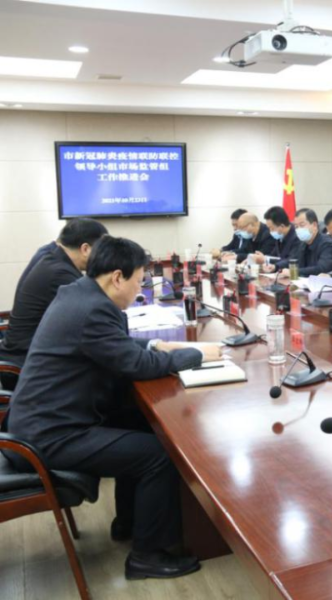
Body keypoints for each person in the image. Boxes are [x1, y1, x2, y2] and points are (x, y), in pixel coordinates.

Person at [3, 236, 222, 579]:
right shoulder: (93, 309)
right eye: (139, 281)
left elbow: (116, 346)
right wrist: (194, 354)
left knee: (140, 422)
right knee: (159, 455)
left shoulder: (80, 294)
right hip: (49, 437)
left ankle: (129, 523)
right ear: (118, 277)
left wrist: (159, 345)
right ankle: (147, 556)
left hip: (43, 421)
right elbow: (137, 365)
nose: (139, 290)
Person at [0, 218, 108, 385]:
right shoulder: (60, 273)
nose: (101, 258)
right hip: (28, 366)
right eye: (101, 251)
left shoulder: (49, 252)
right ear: (85, 249)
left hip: (21, 352)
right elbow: (95, 315)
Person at [282, 208, 332, 278]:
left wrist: (295, 272)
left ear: (314, 225)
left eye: (302, 225)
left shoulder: (327, 244)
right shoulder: (302, 244)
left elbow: (322, 269)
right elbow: (292, 260)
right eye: (296, 226)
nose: (298, 229)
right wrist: (276, 267)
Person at [254, 206, 302, 272]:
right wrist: (264, 258)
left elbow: (291, 260)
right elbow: (274, 256)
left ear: (282, 226)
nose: (270, 232)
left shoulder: (297, 237)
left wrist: (268, 261)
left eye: (272, 228)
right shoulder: (280, 235)